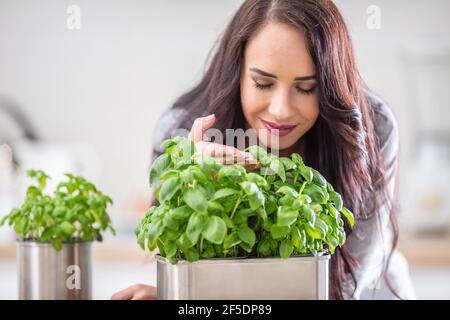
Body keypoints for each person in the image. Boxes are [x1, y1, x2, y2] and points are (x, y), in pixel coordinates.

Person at [112, 0, 416, 300]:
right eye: (262, 83)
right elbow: (180, 249)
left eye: (306, 87)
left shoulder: (374, 125)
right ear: (237, 71)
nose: (281, 110)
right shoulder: (180, 130)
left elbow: (344, 287)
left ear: (329, 83)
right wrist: (176, 294)